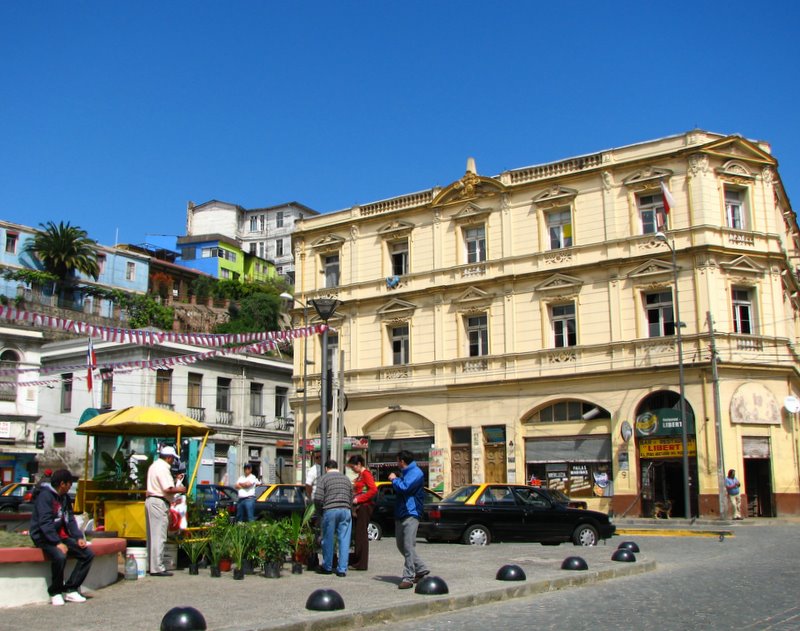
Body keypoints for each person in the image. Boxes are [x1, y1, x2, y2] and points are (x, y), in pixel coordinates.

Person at [29, 469, 94, 606]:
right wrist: (57, 542)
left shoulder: (64, 497)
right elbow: (45, 523)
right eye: (69, 484)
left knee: (87, 554)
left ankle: (71, 588)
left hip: (59, 536)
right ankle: (55, 591)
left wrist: (78, 537)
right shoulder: (45, 497)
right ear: (62, 484)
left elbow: (69, 519)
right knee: (59, 556)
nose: (71, 486)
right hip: (43, 537)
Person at [388, 450, 430, 589]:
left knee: (408, 545)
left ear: (402, 461)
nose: (396, 463)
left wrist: (394, 479)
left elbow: (405, 488)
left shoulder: (416, 473)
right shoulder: (405, 473)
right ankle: (422, 568)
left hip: (411, 512)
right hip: (401, 513)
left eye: (397, 460)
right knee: (401, 545)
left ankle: (408, 577)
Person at [145, 445, 186, 576]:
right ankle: (157, 567)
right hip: (159, 502)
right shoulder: (163, 468)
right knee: (159, 535)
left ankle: (150, 565)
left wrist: (176, 480)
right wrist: (181, 489)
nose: (173, 461)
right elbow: (168, 489)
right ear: (168, 458)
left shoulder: (154, 466)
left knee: (151, 536)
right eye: (173, 459)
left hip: (151, 500)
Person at [313, 459, 353, 577]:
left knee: (328, 539)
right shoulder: (346, 479)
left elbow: (318, 498)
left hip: (330, 510)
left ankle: (327, 567)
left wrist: (319, 511)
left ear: (326, 468)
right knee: (344, 540)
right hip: (345, 510)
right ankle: (342, 569)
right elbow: (351, 496)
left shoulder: (324, 479)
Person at [346, 454, 377, 571]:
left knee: (361, 535)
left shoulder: (366, 474)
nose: (352, 469)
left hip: (363, 506)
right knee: (358, 534)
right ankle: (357, 559)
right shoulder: (360, 475)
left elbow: (373, 489)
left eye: (353, 467)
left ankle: (361, 562)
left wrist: (359, 499)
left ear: (359, 464)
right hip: (359, 506)